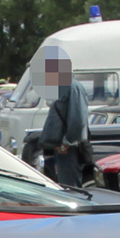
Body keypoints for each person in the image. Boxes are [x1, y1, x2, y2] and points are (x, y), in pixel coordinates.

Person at [37, 45, 89, 188]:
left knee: (71, 187)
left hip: (69, 149)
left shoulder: (72, 87)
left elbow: (77, 119)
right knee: (64, 185)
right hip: (61, 148)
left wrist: (67, 143)